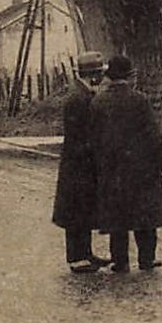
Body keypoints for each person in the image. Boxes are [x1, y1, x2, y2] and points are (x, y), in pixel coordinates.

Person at [91, 54, 162, 272]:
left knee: (118, 218)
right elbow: (153, 136)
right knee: (144, 217)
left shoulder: (99, 102)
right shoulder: (139, 100)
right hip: (141, 170)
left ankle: (120, 261)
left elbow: (94, 139)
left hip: (112, 170)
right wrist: (161, 163)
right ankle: (147, 259)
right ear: (129, 76)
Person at [52, 50, 108, 273]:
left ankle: (85, 253)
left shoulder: (82, 94)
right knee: (76, 210)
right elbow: (80, 135)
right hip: (78, 164)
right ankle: (76, 258)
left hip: (80, 162)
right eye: (99, 74)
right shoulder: (79, 99)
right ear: (93, 75)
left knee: (83, 208)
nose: (102, 79)